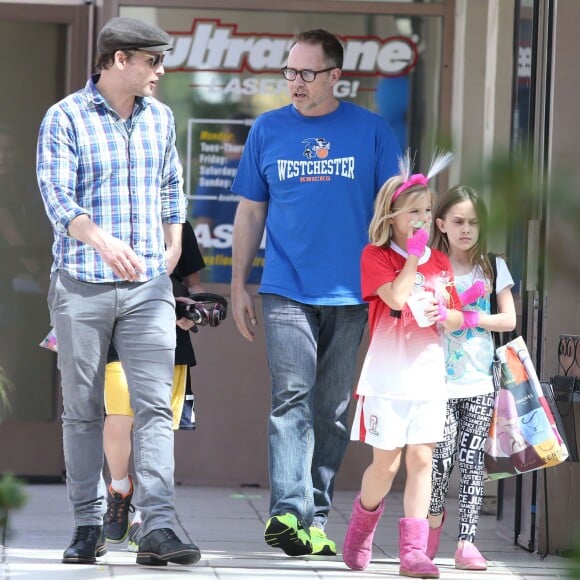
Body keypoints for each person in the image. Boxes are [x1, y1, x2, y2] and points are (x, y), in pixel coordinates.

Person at [36, 17, 200, 566]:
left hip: (147, 288)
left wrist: (173, 241)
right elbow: (56, 197)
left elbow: (172, 185)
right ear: (120, 59)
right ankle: (88, 525)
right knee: (83, 411)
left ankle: (155, 527)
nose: (161, 71)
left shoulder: (162, 119)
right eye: (153, 61)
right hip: (81, 284)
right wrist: (100, 239)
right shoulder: (65, 117)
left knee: (155, 406)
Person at [230, 28, 401, 557]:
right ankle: (288, 509)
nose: (295, 83)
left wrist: (404, 282)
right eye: (289, 71)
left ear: (335, 76)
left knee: (330, 408)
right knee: (291, 398)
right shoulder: (268, 129)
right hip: (284, 289)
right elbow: (251, 210)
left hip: (353, 294)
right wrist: (238, 284)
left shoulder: (371, 131)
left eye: (307, 73)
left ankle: (316, 516)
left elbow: (398, 210)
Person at [342, 152, 462, 579]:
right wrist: (413, 258)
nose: (423, 220)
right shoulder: (375, 256)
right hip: (387, 378)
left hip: (429, 375)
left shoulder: (442, 261)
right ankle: (360, 529)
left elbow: (454, 317)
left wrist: (446, 312)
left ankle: (414, 552)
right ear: (392, 215)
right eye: (415, 212)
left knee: (422, 459)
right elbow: (394, 298)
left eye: (428, 212)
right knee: (386, 464)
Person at [426, 185, 516, 570]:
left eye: (474, 222)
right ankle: (431, 522)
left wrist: (469, 318)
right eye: (459, 221)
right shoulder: (429, 265)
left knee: (472, 463)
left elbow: (510, 320)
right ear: (441, 223)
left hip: (480, 383)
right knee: (439, 462)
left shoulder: (493, 266)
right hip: (436, 383)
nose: (466, 229)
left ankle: (466, 542)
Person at [102, 220, 205, 552]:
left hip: (170, 333)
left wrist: (195, 310)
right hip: (116, 328)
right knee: (118, 417)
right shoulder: (111, 210)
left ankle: (145, 520)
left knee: (158, 428)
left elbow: (194, 283)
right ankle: (120, 488)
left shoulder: (177, 223)